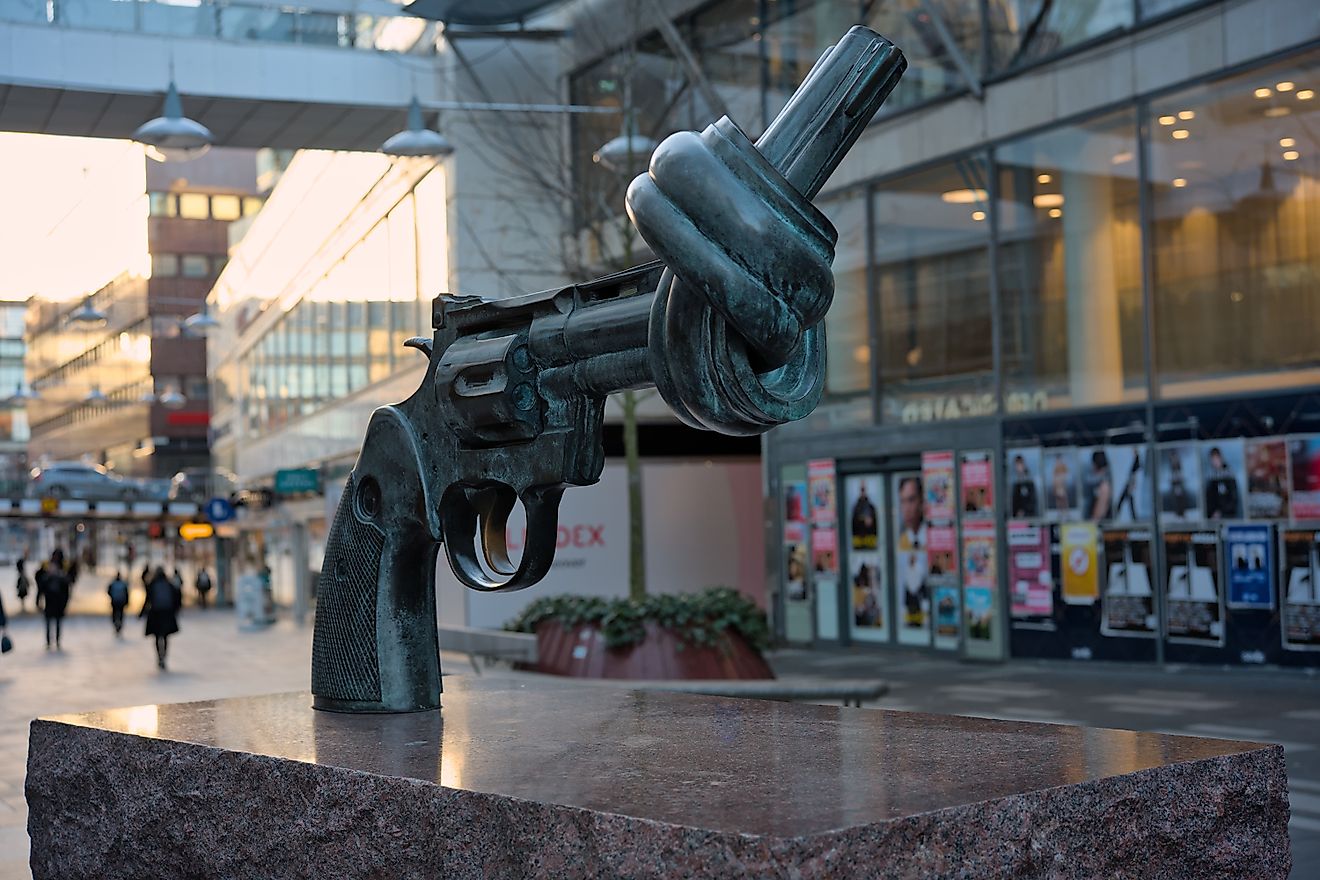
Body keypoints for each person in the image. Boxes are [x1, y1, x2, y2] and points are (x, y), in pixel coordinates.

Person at [140, 566, 181, 670]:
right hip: (167, 613)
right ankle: (164, 656)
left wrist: (142, 612)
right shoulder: (169, 585)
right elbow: (176, 598)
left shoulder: (152, 585)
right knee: (166, 636)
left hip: (156, 613)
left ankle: (159, 656)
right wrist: (176, 611)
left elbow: (147, 600)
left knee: (157, 636)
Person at [41, 549, 70, 651]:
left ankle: (56, 641)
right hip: (51, 602)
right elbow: (41, 583)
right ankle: (50, 641)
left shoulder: (62, 570)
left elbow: (66, 587)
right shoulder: (48, 568)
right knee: (50, 623)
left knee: (56, 623)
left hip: (57, 602)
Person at [107, 571, 130, 636]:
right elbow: (127, 593)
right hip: (121, 602)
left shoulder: (113, 584)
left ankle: (115, 623)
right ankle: (119, 624)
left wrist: (112, 597)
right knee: (121, 613)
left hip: (114, 601)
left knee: (114, 613)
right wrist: (127, 601)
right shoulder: (123, 584)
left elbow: (108, 591)